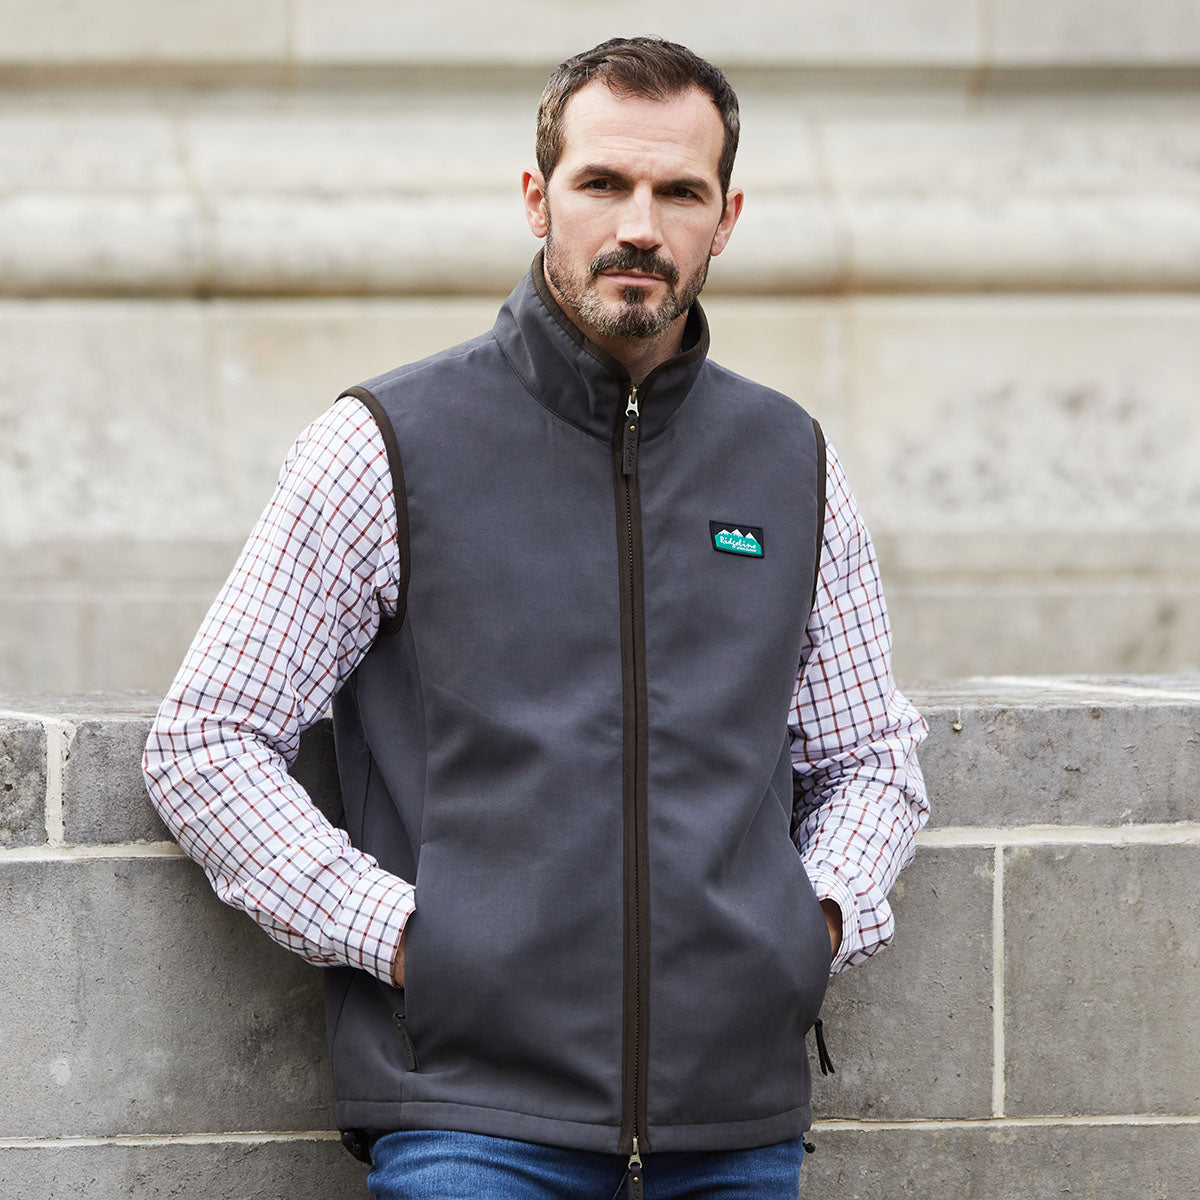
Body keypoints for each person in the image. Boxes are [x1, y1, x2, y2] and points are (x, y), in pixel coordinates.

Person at [144, 36, 928, 1200]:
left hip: (734, 1128)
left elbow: (871, 758)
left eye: (679, 192)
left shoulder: (790, 463)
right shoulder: (387, 446)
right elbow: (205, 740)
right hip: (473, 1126)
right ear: (537, 197)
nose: (639, 227)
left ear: (726, 218)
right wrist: (414, 941)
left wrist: (805, 928)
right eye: (602, 182)